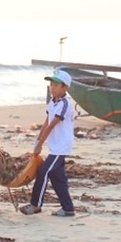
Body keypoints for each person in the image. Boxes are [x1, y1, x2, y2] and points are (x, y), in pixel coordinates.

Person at [19, 70, 76, 217]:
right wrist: (37, 141)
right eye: (51, 84)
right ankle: (68, 208)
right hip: (55, 146)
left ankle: (35, 205)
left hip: (62, 146)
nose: (52, 87)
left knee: (43, 171)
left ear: (65, 88)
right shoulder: (52, 102)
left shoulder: (65, 104)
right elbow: (46, 123)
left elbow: (52, 125)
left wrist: (39, 146)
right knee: (58, 178)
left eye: (56, 85)